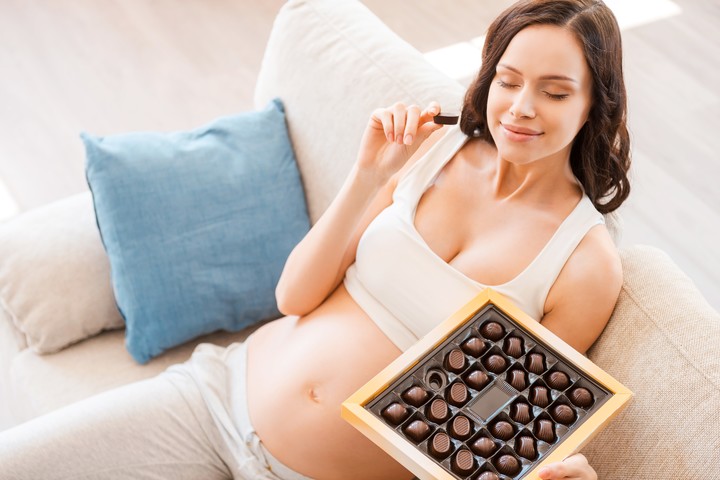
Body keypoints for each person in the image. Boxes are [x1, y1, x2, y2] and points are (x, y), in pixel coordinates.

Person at [0, 0, 630, 479]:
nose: (520, 107)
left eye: (554, 92)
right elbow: (294, 294)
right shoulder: (434, 151)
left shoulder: (583, 265)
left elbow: (501, 436)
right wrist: (367, 177)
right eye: (508, 80)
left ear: (595, 105)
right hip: (217, 397)